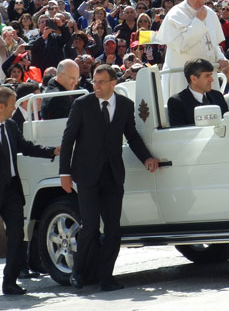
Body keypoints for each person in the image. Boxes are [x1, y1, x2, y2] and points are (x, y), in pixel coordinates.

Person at [60, 64, 160, 291]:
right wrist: (64, 172)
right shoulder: (82, 105)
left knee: (114, 229)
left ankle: (106, 277)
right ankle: (78, 272)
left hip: (113, 175)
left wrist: (146, 158)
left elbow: (132, 136)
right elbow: (68, 140)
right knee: (90, 227)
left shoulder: (125, 105)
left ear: (113, 83)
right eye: (94, 81)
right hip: (86, 175)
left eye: (101, 82)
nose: (96, 86)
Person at [0, 86, 59, 299]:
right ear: (0, 106)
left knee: (17, 236)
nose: (15, 108)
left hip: (11, 191)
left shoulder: (11, 125)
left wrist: (52, 151)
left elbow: (26, 147)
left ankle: (10, 282)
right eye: (12, 104)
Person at [154, 0, 228, 98]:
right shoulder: (175, 14)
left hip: (208, 75)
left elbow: (212, 43)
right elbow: (181, 46)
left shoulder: (209, 13)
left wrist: (220, 57)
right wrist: (198, 21)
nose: (200, 0)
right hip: (183, 77)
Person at [167, 58, 229, 127]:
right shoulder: (176, 102)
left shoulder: (217, 96)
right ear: (193, 78)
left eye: (211, 75)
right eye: (207, 75)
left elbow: (228, 123)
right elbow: (180, 133)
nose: (211, 79)